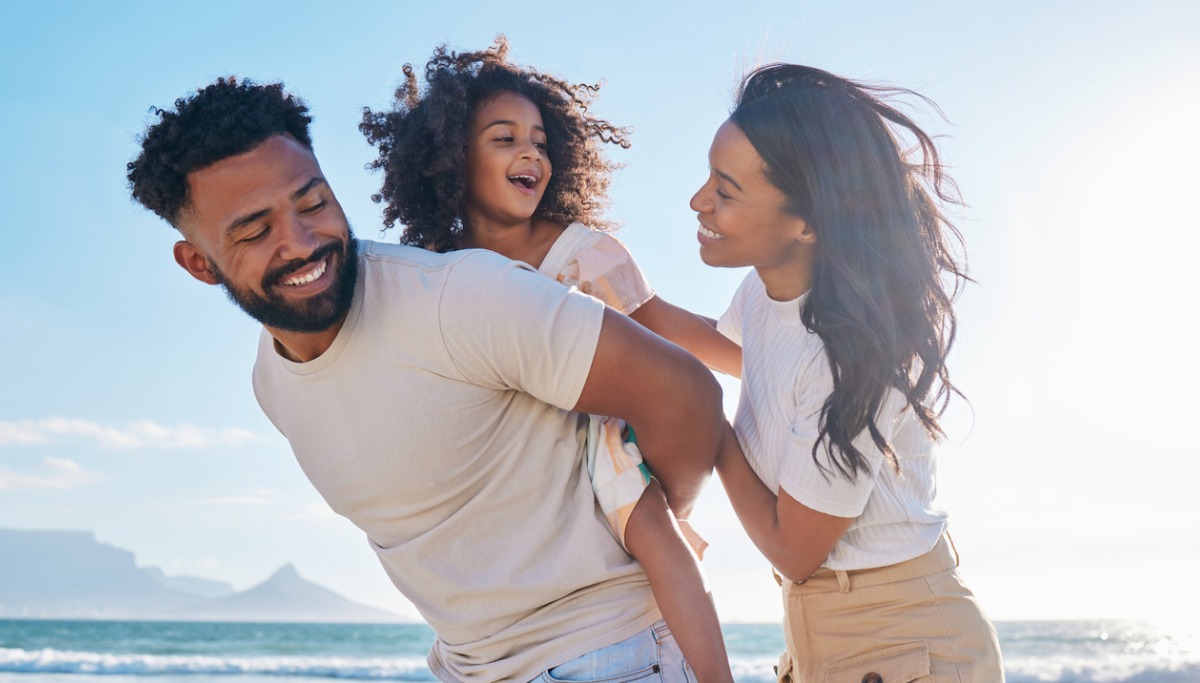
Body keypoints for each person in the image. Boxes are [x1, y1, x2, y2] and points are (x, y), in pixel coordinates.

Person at [127, 76, 725, 683]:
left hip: (604, 657)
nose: (302, 243)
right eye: (255, 231)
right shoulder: (271, 382)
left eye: (313, 204)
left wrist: (643, 518)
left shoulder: (458, 297)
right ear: (199, 262)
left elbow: (686, 394)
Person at [359, 39, 739, 683]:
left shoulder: (581, 254)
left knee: (654, 536)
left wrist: (760, 356)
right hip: (508, 459)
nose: (529, 152)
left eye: (538, 140)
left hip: (596, 435)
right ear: (452, 158)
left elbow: (662, 325)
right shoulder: (436, 269)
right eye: (503, 139)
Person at [692, 64, 1004, 681]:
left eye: (725, 191)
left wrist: (705, 426)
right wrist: (607, 287)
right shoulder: (767, 295)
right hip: (828, 635)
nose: (699, 200)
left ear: (808, 222)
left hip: (902, 642)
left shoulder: (852, 358)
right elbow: (734, 355)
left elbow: (794, 549)